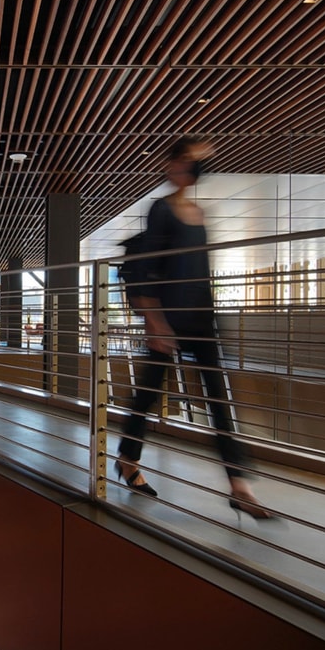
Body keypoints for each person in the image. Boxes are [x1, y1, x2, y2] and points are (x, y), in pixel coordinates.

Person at [117, 136, 274, 520]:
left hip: (202, 319)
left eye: (193, 161)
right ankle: (126, 458)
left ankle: (239, 486)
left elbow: (199, 272)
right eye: (183, 160)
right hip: (168, 320)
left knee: (219, 401)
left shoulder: (200, 213)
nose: (189, 167)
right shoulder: (161, 209)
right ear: (170, 166)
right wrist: (154, 321)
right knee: (149, 395)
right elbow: (153, 266)